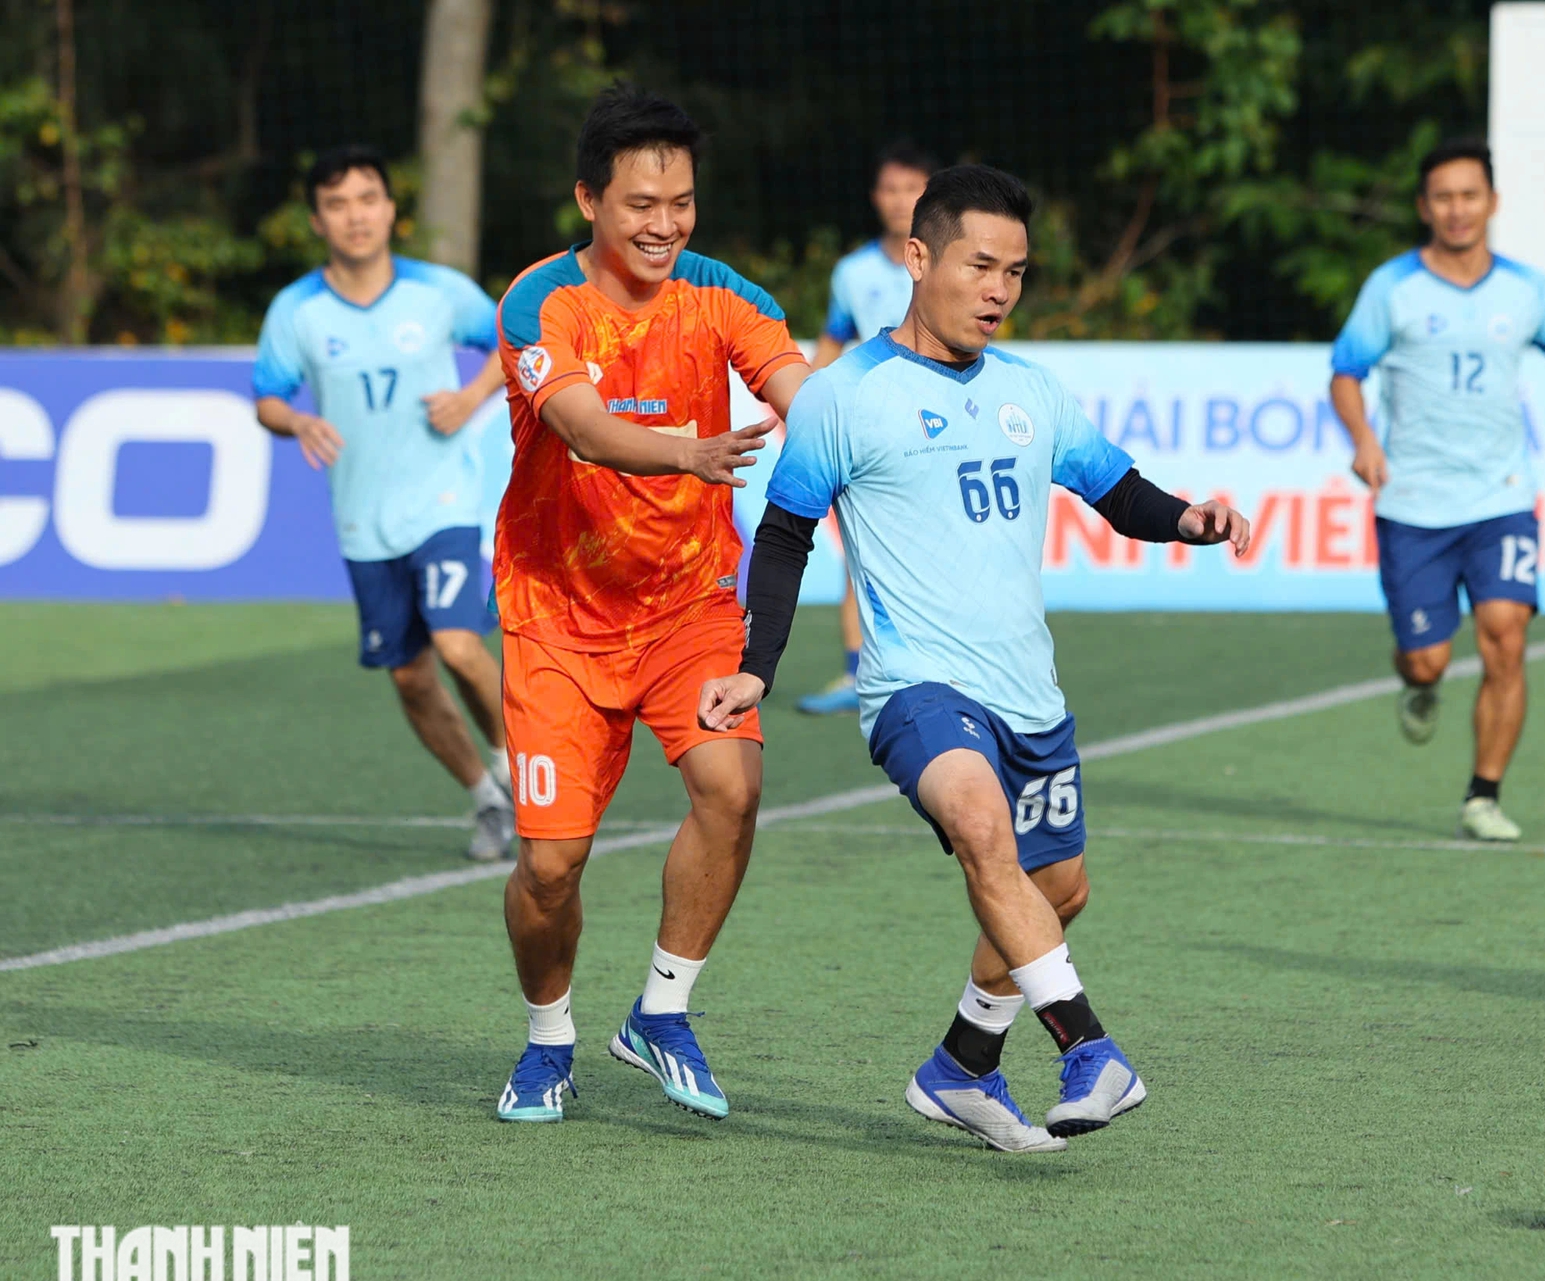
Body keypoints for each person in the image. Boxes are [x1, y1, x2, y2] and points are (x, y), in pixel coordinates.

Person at [699, 165, 1251, 1152]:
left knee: (1058, 887)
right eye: (978, 264)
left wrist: (1190, 520)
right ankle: (1087, 1048)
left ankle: (960, 1063)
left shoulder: (1029, 391)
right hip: (915, 684)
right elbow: (783, 536)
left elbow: (1117, 490)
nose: (997, 288)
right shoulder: (842, 396)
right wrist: (757, 665)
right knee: (979, 825)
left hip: (1028, 693)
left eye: (1016, 272)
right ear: (919, 260)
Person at [489, 85, 810, 1122]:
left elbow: (791, 380)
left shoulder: (721, 294)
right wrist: (688, 450)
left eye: (679, 200)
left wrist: (848, 426)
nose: (664, 223)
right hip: (555, 614)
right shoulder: (541, 302)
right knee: (549, 862)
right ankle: (548, 1039)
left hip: (688, 606)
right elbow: (581, 425)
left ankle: (661, 1012)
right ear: (588, 199)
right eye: (639, 202)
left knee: (732, 784)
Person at [1328, 139, 1545, 842]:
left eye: (1469, 195)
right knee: (1426, 656)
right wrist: (1364, 441)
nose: (1457, 210)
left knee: (1505, 635)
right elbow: (1346, 372)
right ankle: (1421, 682)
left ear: (1491, 203)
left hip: (1501, 498)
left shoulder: (1528, 289)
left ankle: (1483, 795)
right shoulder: (1392, 288)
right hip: (1414, 503)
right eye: (1442, 197)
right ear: (1423, 207)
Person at [253, 145, 514, 863]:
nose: (355, 216)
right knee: (410, 676)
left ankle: (515, 769)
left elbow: (513, 340)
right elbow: (267, 397)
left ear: (392, 210)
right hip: (363, 522)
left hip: (445, 503)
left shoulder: (438, 291)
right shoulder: (297, 310)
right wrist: (297, 420)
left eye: (367, 199)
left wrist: (470, 395)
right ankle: (487, 799)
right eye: (337, 205)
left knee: (460, 645)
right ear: (317, 221)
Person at [796, 141, 936, 716]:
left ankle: (938, 665)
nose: (900, 200)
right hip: (869, 431)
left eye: (912, 188)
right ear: (875, 197)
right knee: (862, 550)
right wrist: (803, 404)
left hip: (938, 429)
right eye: (890, 188)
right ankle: (859, 672)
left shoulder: (950, 261)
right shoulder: (851, 272)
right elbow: (833, 337)